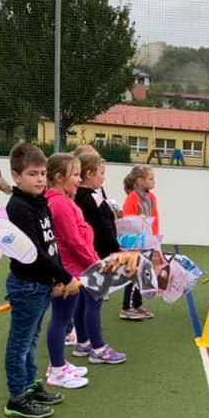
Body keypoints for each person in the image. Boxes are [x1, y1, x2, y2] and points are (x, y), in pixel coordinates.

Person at [3, 143, 81, 418]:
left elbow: (51, 246)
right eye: (32, 174)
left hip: (42, 284)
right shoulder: (19, 207)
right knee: (20, 342)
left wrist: (56, 277)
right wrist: (65, 277)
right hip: (27, 285)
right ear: (16, 176)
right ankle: (17, 397)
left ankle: (30, 385)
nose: (39, 179)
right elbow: (34, 252)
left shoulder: (40, 202)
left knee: (31, 339)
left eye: (42, 173)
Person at [43, 153, 97, 389]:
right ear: (58, 177)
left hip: (72, 268)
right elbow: (73, 240)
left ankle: (59, 364)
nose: (79, 179)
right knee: (61, 319)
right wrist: (95, 264)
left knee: (63, 318)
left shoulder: (62, 200)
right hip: (68, 270)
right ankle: (56, 369)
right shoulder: (60, 203)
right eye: (75, 174)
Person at [72, 151, 127, 364]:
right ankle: (98, 348)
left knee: (83, 300)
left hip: (85, 255)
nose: (104, 178)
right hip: (97, 256)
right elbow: (103, 228)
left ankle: (83, 342)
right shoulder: (92, 198)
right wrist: (116, 249)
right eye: (101, 173)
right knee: (94, 301)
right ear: (88, 174)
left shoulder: (77, 197)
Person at [120, 165, 160, 321]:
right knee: (133, 273)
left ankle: (137, 304)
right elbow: (128, 221)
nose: (153, 181)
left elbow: (155, 218)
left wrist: (154, 239)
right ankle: (127, 307)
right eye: (151, 178)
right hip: (134, 242)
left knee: (143, 273)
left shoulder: (152, 198)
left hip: (147, 241)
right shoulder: (132, 198)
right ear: (140, 181)